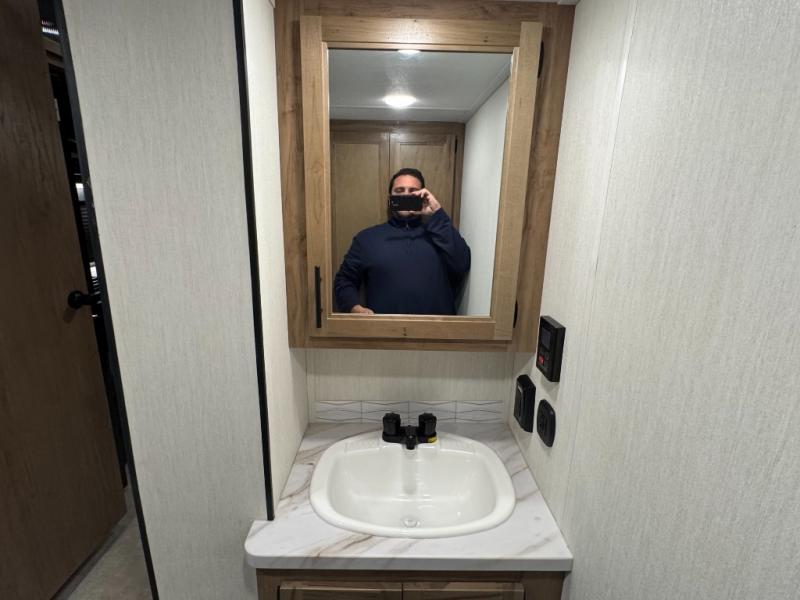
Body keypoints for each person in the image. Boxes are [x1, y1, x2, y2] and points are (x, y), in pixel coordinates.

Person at [333, 167, 471, 315]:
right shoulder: (367, 239)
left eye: (413, 191)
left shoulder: (441, 233)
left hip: (437, 327)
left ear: (422, 197)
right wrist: (354, 308)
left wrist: (437, 213)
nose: (406, 195)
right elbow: (344, 280)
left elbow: (462, 263)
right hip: (385, 327)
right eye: (399, 191)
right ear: (390, 199)